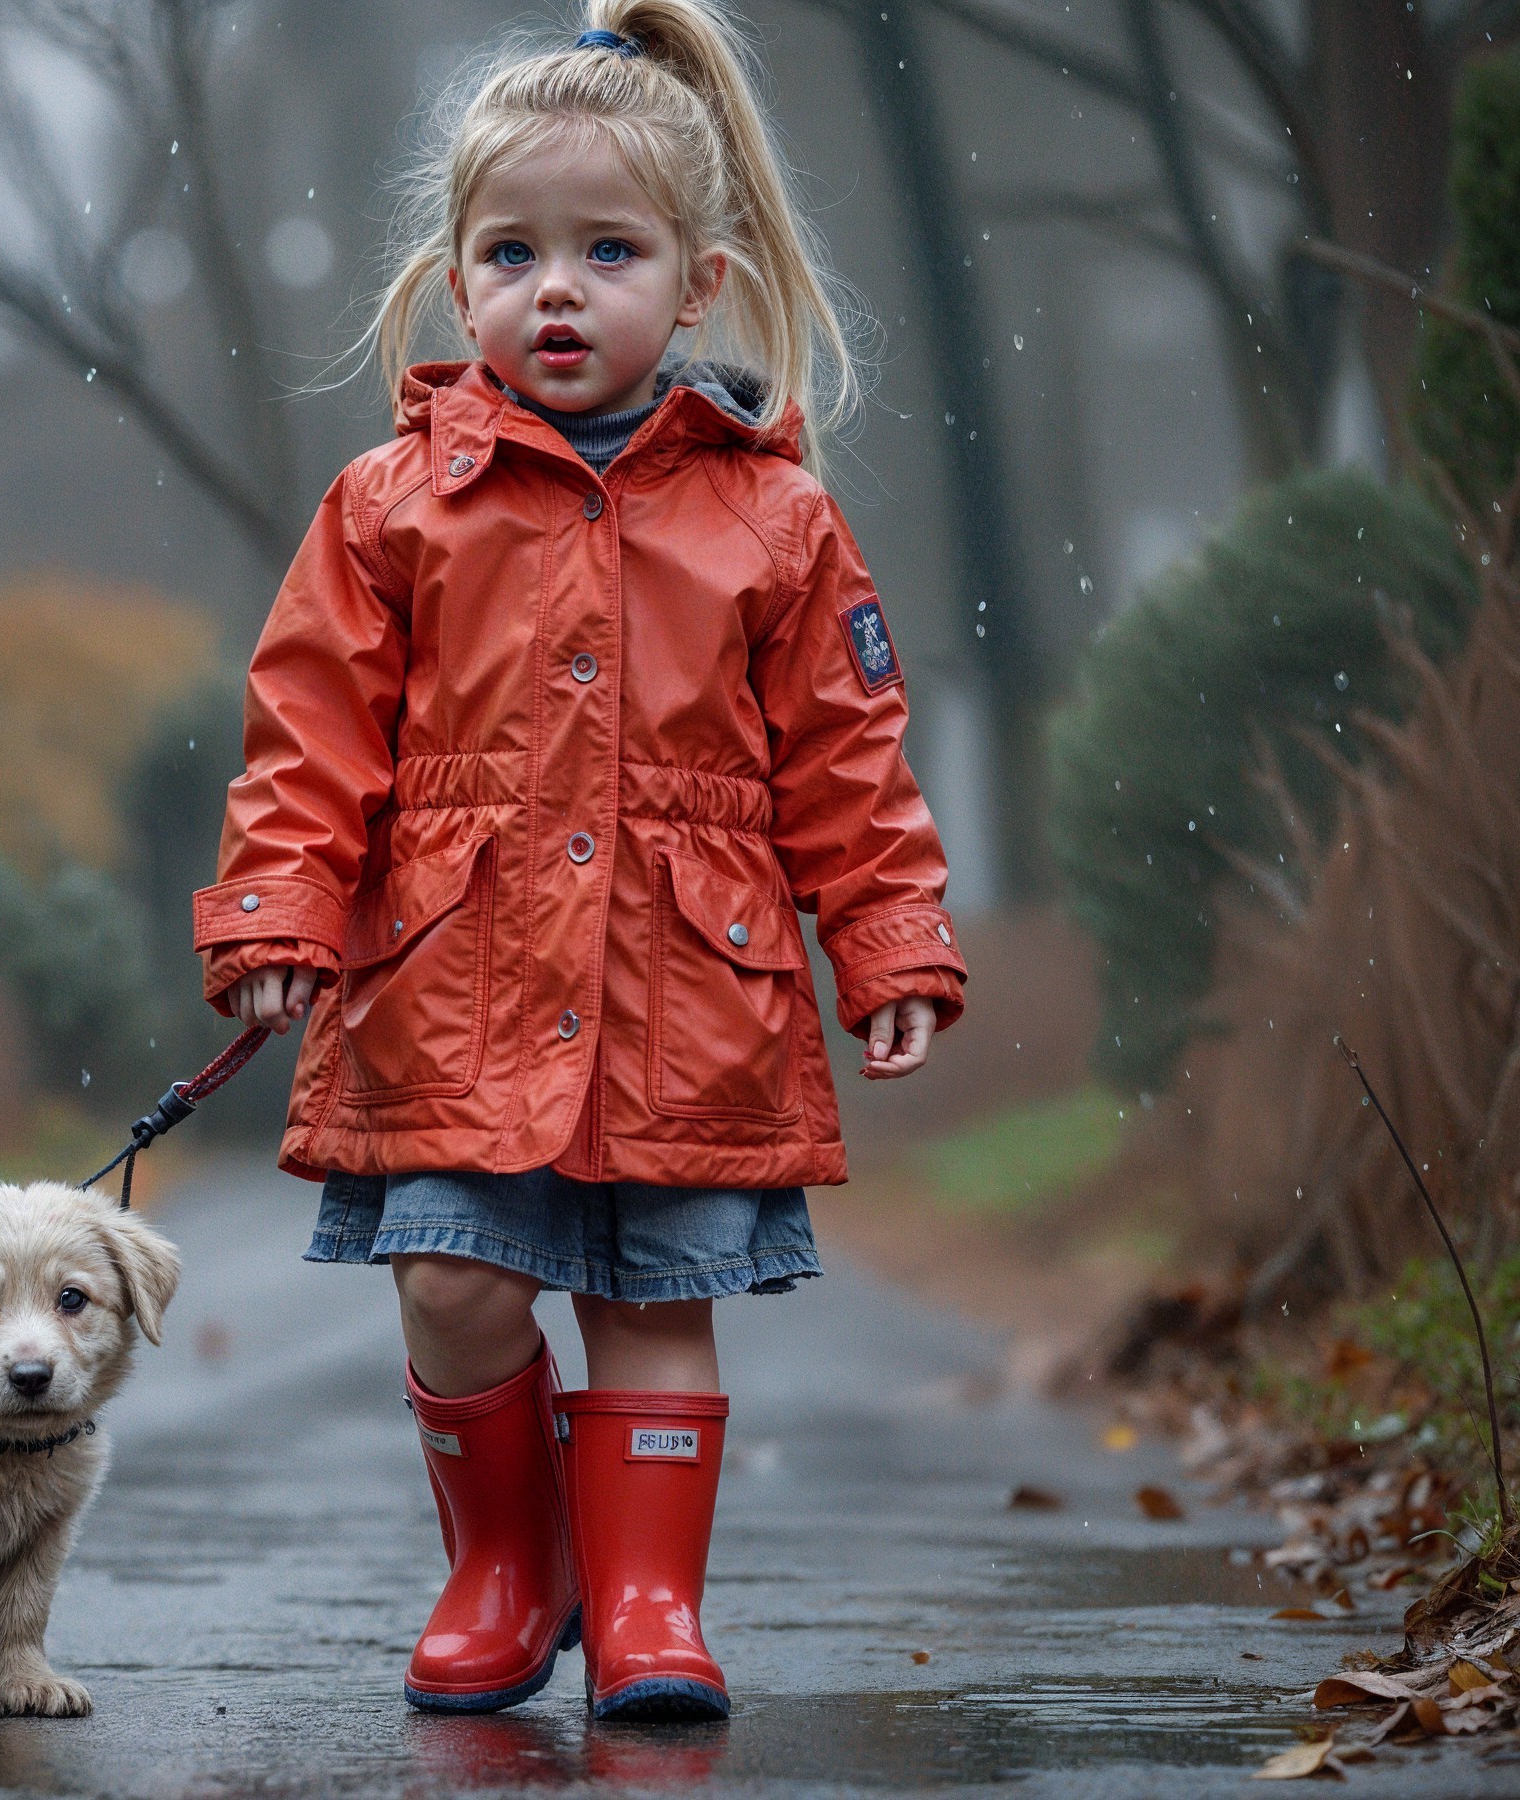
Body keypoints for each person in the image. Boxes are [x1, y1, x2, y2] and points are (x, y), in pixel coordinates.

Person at [192, 0, 966, 1723]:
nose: (558, 289)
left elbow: (848, 755)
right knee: (456, 1278)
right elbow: (311, 728)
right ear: (456, 279)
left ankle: (646, 1605)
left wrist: (893, 936)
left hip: (688, 985)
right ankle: (506, 1560)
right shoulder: (395, 504)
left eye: (607, 251)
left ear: (696, 284)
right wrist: (280, 904)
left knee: (657, 1298)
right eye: (512, 251)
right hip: (453, 984)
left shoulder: (773, 518)